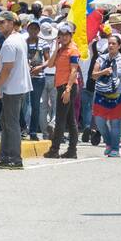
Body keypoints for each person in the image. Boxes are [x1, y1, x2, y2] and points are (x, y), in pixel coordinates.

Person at [0, 11, 30, 168]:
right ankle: (5, 155)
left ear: (11, 23)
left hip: (12, 88)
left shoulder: (9, 43)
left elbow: (7, 69)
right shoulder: (19, 39)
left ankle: (14, 157)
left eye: (3, 22)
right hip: (17, 87)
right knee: (6, 121)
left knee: (11, 123)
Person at [42, 23, 82, 159]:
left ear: (71, 35)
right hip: (62, 86)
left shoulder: (73, 50)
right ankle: (72, 151)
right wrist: (56, 48)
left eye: (66, 35)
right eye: (62, 35)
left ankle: (54, 149)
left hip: (67, 87)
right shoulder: (61, 50)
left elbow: (74, 70)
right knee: (70, 121)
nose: (64, 37)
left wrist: (68, 89)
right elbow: (50, 64)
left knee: (60, 120)